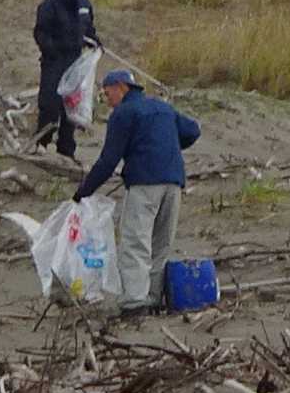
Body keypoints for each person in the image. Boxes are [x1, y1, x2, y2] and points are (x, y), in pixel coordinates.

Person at [70, 63, 198, 312]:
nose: (107, 101)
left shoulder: (124, 113)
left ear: (121, 88)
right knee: (161, 243)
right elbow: (193, 130)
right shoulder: (162, 107)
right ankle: (152, 298)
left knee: (135, 242)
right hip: (173, 183)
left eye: (107, 94)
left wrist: (83, 192)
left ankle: (135, 302)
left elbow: (108, 160)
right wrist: (167, 144)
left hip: (144, 184)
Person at [32, 0, 101, 159]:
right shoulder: (49, 5)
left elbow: (89, 29)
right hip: (54, 61)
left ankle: (66, 149)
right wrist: (51, 49)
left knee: (71, 105)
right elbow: (40, 33)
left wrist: (95, 41)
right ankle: (42, 143)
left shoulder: (84, 4)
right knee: (50, 103)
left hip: (75, 61)